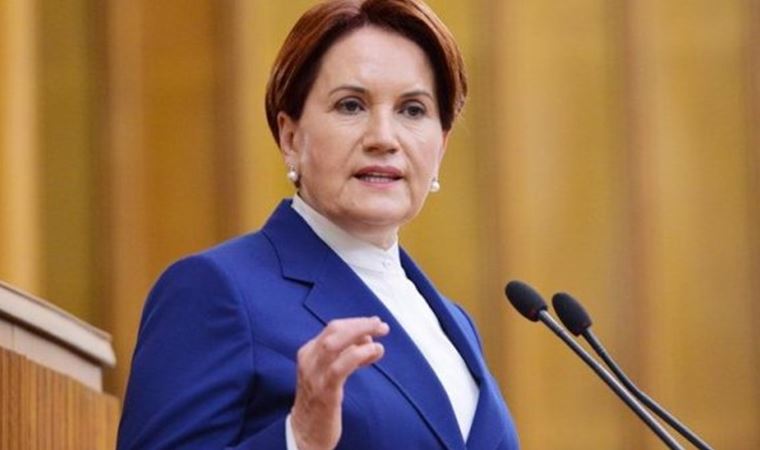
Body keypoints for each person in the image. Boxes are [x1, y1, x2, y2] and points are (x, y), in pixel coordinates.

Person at [116, 0, 520, 449]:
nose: (384, 138)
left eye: (412, 110)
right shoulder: (216, 289)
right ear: (290, 138)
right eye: (351, 105)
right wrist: (299, 438)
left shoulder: (455, 325)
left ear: (440, 147)